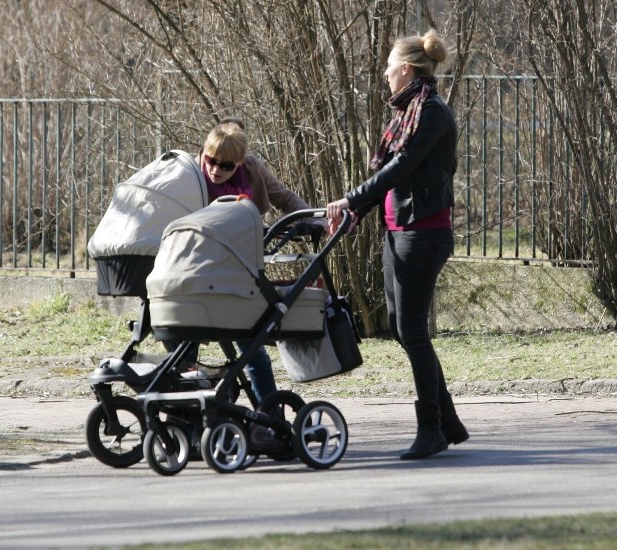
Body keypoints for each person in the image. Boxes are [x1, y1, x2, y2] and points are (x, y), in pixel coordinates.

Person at [325, 30, 469, 460]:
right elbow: (391, 171)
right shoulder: (409, 113)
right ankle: (446, 423)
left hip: (423, 234)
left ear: (406, 69)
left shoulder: (431, 114)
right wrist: (357, 212)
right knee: (403, 328)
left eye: (389, 66)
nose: (385, 73)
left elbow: (402, 167)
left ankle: (432, 429)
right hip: (400, 231)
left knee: (412, 332)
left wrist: (351, 198)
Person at [197, 118, 312, 405]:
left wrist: (314, 218)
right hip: (201, 267)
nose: (215, 169)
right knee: (184, 340)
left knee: (250, 346)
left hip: (241, 266)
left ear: (240, 162)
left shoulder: (252, 169)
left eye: (226, 165)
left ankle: (270, 415)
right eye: (212, 160)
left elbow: (284, 198)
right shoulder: (190, 173)